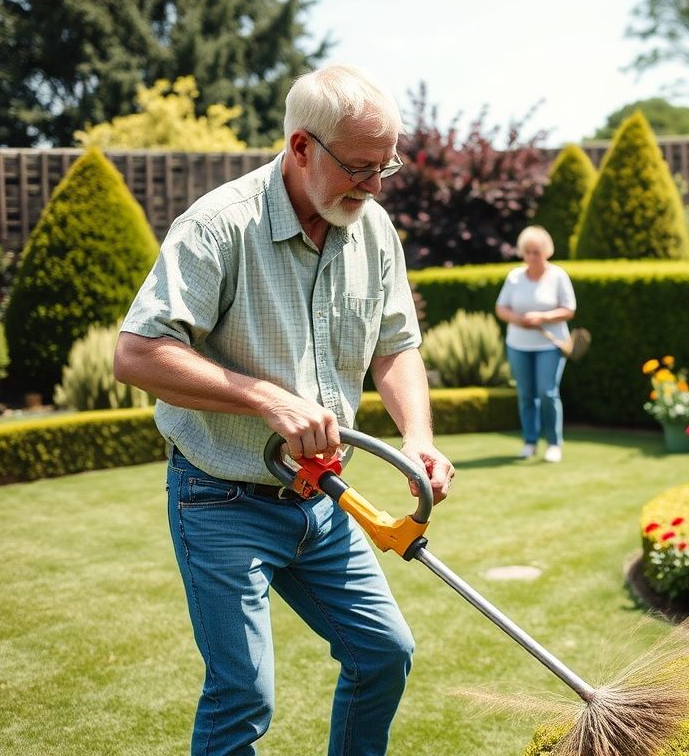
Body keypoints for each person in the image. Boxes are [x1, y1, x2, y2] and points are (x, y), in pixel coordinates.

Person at [112, 62, 454, 756]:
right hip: (221, 499)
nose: (375, 184)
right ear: (301, 147)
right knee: (243, 696)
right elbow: (137, 353)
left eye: (384, 166)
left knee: (384, 654)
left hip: (325, 501)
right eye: (359, 166)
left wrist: (416, 435)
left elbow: (395, 347)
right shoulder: (218, 226)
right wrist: (264, 397)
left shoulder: (373, 229)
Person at [493, 225, 577, 463]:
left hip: (550, 345)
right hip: (518, 344)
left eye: (536, 252)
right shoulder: (515, 277)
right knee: (526, 395)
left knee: (547, 392)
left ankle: (553, 443)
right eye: (527, 252)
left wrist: (543, 318)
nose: (531, 257)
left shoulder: (558, 276)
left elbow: (569, 309)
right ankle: (530, 442)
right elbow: (501, 308)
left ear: (546, 252)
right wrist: (518, 320)